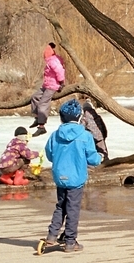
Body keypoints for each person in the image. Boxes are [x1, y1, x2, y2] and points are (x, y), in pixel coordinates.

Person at [38, 98, 103, 254]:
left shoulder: (55, 135)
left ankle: (52, 235)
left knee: (61, 205)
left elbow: (49, 154)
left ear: (61, 117)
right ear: (80, 117)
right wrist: (99, 158)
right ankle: (70, 241)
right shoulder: (85, 135)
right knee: (72, 208)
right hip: (76, 178)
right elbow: (92, 158)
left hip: (60, 176)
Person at [29, 41, 68, 133]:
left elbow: (60, 71)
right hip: (47, 85)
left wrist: (61, 83)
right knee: (34, 97)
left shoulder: (53, 61)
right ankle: (37, 117)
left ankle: (41, 126)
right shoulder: (50, 61)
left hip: (53, 86)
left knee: (43, 104)